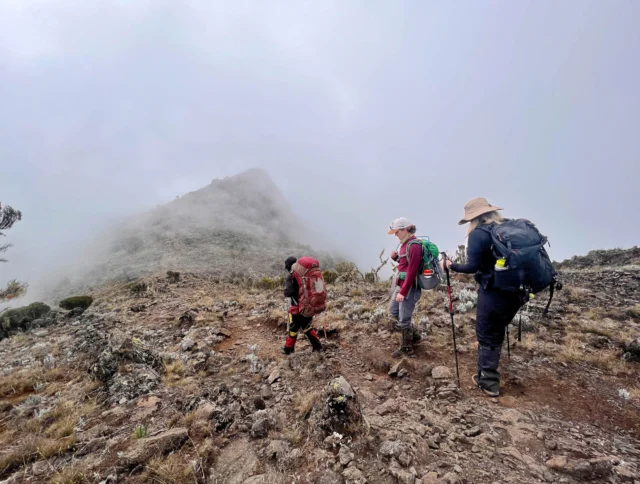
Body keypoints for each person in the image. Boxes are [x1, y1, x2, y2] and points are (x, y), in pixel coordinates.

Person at [445, 197, 522, 397]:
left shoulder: (479, 233)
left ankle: (488, 382)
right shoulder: (506, 227)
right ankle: (490, 365)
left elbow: (472, 267)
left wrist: (451, 266)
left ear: (473, 217)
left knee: (487, 332)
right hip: (517, 291)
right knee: (497, 328)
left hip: (494, 290)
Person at [388, 217, 423, 358]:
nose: (395, 235)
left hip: (409, 288)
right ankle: (414, 335)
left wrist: (402, 292)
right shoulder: (405, 244)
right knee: (394, 310)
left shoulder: (414, 245)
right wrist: (396, 258)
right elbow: (405, 264)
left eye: (396, 232)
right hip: (402, 285)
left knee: (404, 318)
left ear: (404, 230)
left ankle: (407, 348)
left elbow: (412, 271)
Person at [282, 256, 323, 355]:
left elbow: (288, 292)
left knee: (293, 329)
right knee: (307, 326)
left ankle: (288, 348)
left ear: (288, 267)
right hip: (309, 305)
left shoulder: (291, 277)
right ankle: (317, 346)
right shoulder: (305, 274)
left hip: (297, 308)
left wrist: (285, 288)